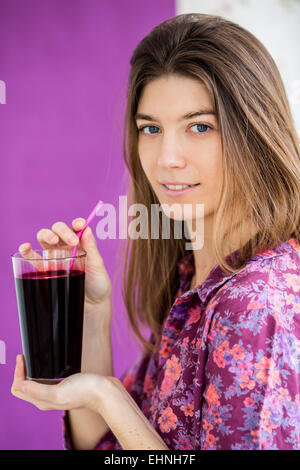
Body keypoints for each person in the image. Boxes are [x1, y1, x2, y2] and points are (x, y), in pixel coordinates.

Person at [11, 13, 300, 450]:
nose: (167, 158)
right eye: (151, 128)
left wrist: (109, 397)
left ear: (253, 132)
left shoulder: (253, 305)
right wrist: (94, 314)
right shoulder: (198, 280)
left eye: (199, 126)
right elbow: (108, 446)